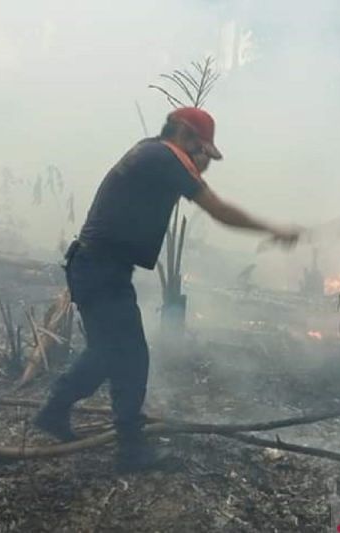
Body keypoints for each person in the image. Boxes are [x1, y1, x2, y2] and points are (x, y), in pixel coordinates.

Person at [33, 107, 301, 473]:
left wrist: (196, 170)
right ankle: (128, 449)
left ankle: (56, 411)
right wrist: (273, 229)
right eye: (202, 150)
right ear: (187, 137)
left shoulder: (152, 152)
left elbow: (187, 187)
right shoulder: (165, 158)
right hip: (100, 269)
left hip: (97, 267)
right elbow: (219, 210)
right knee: (128, 355)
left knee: (110, 352)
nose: (202, 160)